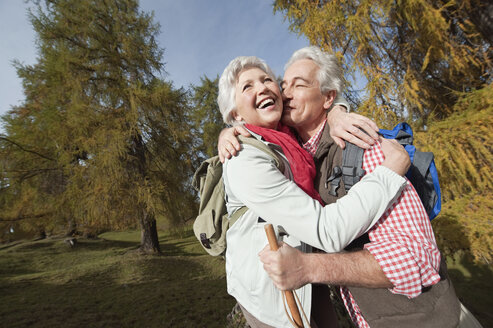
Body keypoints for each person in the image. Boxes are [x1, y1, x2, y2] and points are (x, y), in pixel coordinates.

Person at [220, 46, 475, 328]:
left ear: (328, 97)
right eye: (284, 85)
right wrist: (228, 131)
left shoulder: (368, 149)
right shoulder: (293, 155)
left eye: (299, 84)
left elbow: (417, 258)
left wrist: (308, 268)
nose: (285, 93)